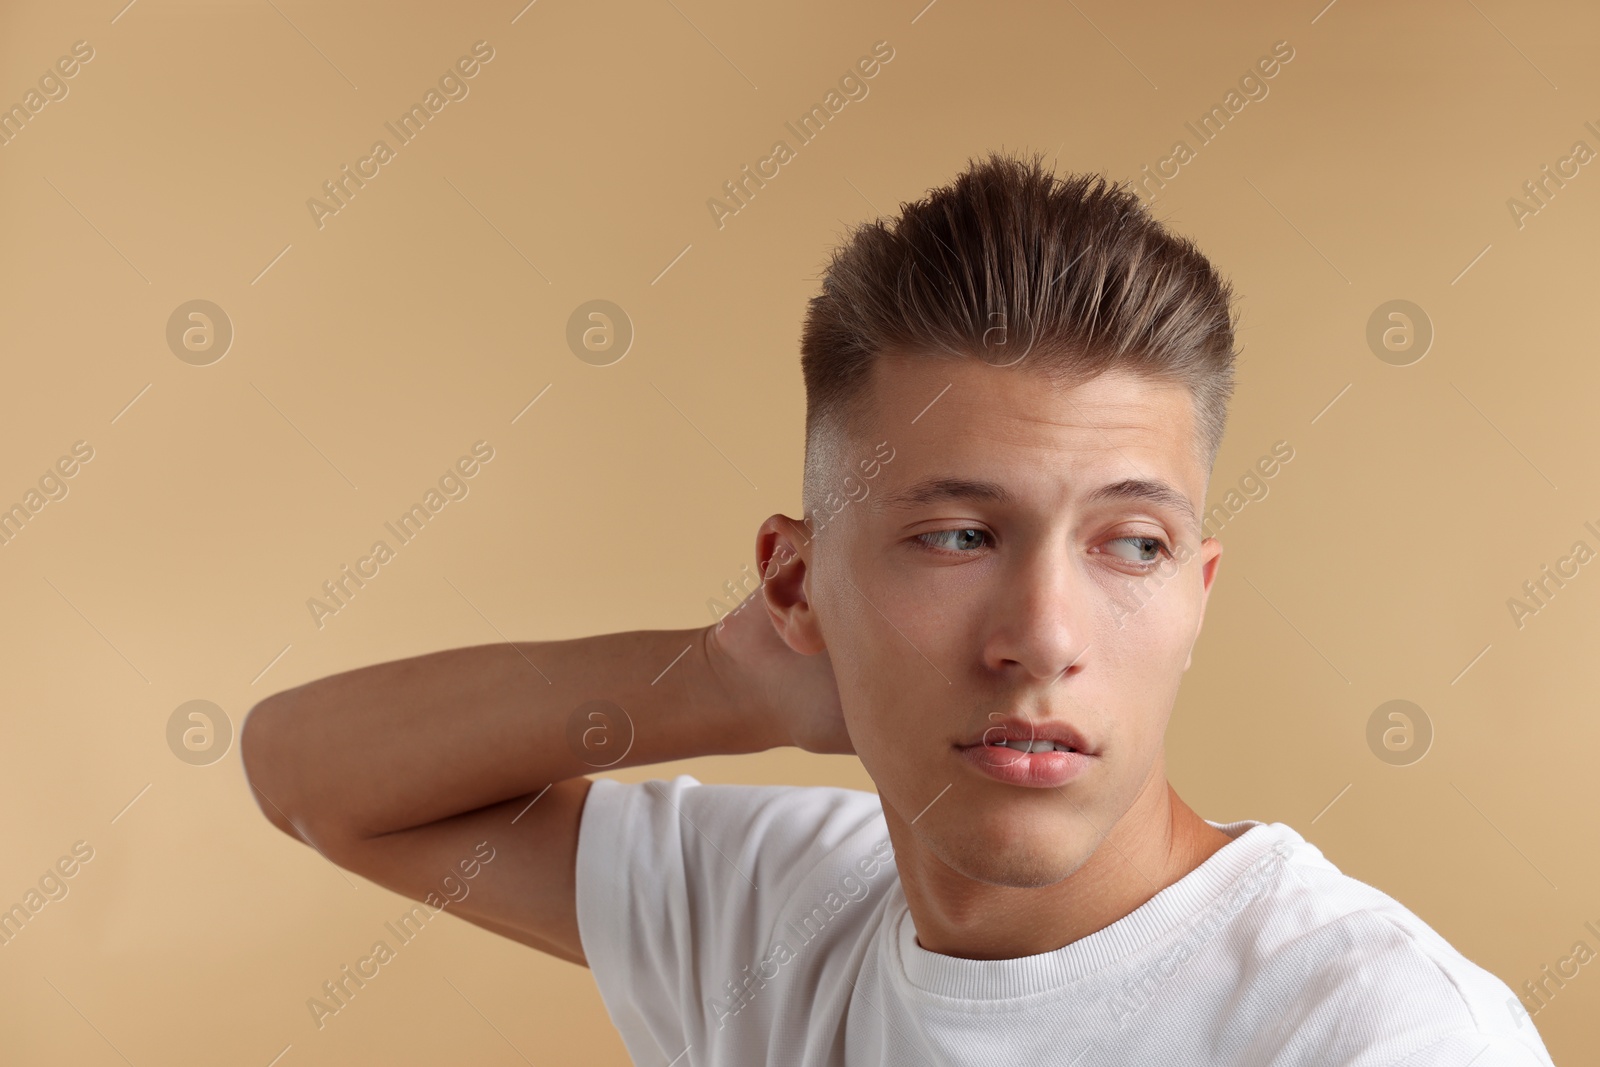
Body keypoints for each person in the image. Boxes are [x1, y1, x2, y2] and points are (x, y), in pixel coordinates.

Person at [241, 151, 1559, 1065]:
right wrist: (733, 681)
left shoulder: (1378, 1034)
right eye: (959, 535)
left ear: (1196, 593)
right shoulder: (775, 915)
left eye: (1131, 545)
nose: (1043, 635)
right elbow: (310, 773)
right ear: (798, 580)